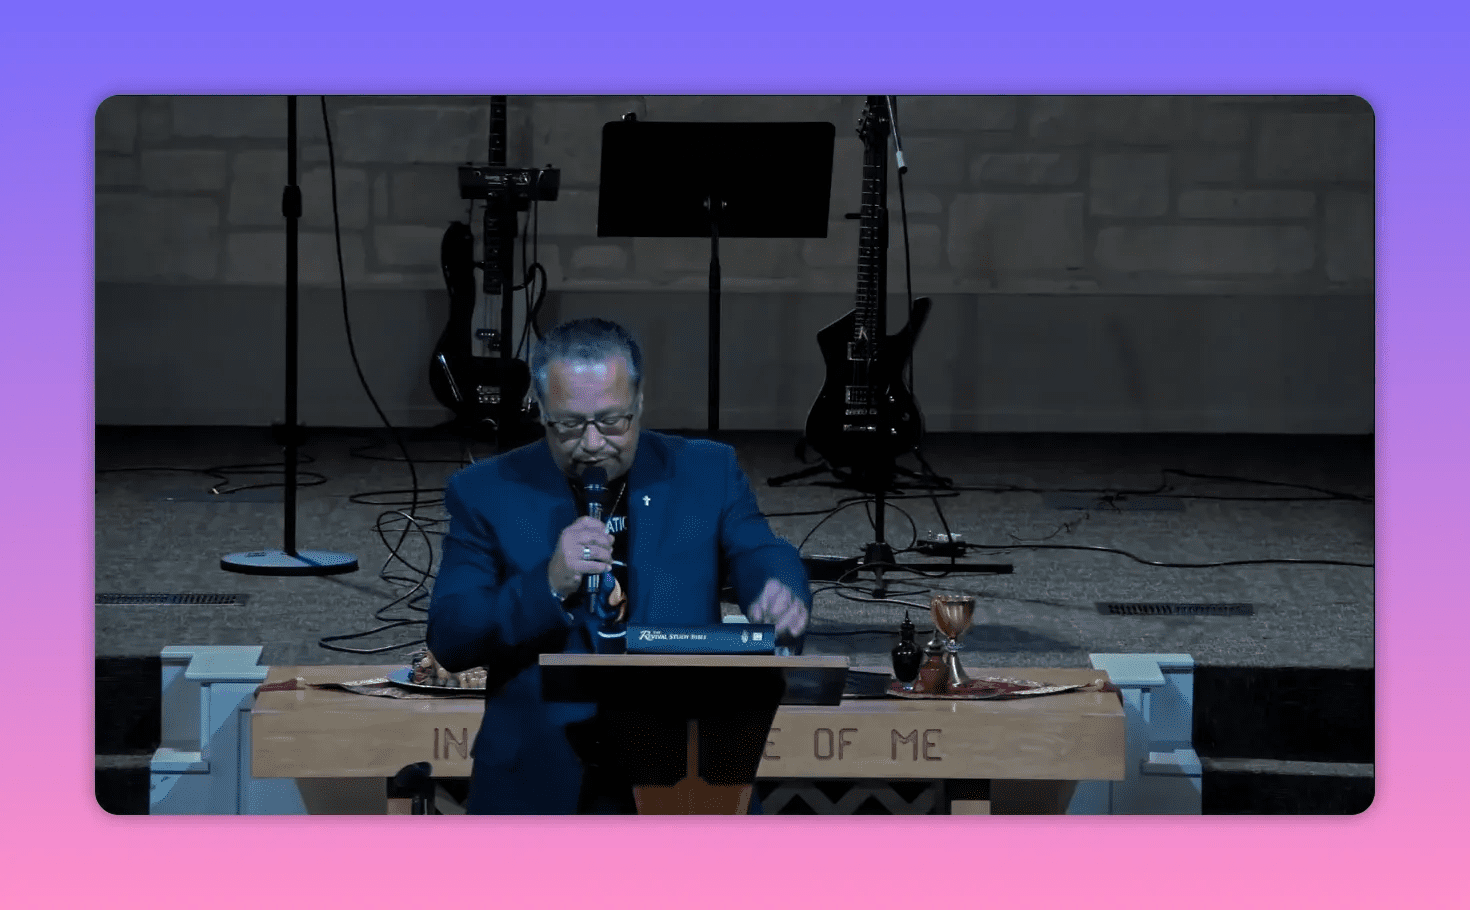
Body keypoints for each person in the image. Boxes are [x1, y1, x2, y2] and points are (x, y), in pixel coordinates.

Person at [427, 317, 811, 814]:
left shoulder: (706, 470)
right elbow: (452, 635)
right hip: (538, 779)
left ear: (639, 402)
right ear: (540, 409)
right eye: (569, 424)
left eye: (612, 421)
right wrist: (547, 584)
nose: (592, 443)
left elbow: (759, 550)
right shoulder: (485, 490)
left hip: (684, 773)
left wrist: (779, 588)